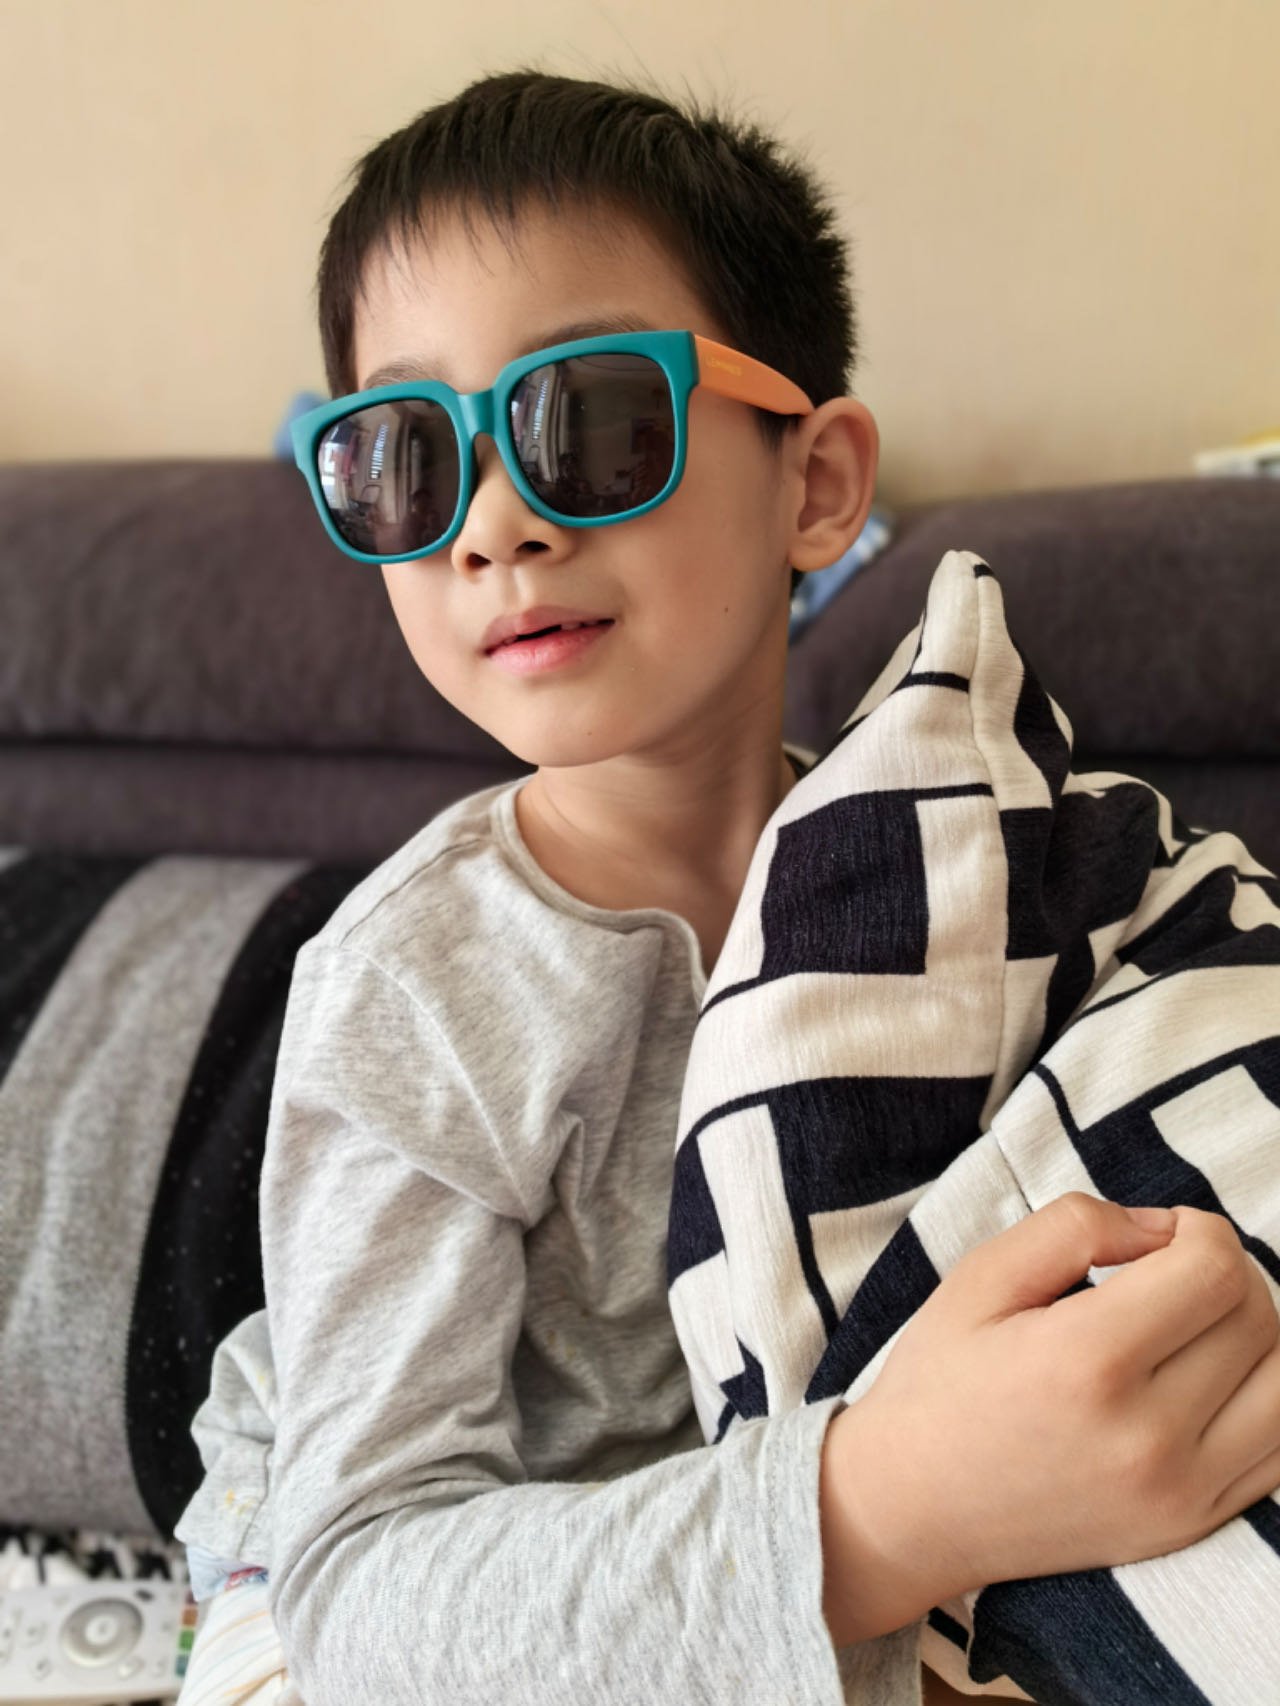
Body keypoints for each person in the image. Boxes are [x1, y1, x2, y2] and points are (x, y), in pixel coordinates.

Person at [172, 70, 1280, 1706]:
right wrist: (884, 1505)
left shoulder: (950, 866)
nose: (492, 524)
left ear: (815, 483)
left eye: (590, 419)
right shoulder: (413, 988)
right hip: (465, 1585)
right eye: (406, 458)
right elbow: (369, 1586)